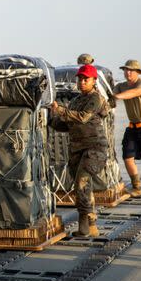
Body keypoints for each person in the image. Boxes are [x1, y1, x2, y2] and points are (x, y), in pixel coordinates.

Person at [50, 64, 110, 237]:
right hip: (77, 150)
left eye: (86, 79)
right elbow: (66, 125)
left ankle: (85, 226)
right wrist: (50, 118)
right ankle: (90, 224)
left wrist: (60, 110)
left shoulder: (95, 99)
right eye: (80, 79)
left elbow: (83, 118)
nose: (82, 82)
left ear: (93, 81)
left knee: (81, 183)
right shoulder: (76, 101)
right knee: (82, 187)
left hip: (94, 148)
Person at [112, 59, 141, 197]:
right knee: (127, 156)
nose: (128, 72)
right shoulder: (121, 86)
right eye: (125, 70)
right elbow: (110, 95)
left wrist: (116, 97)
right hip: (133, 127)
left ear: (137, 72)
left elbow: (135, 92)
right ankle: (137, 187)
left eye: (131, 70)